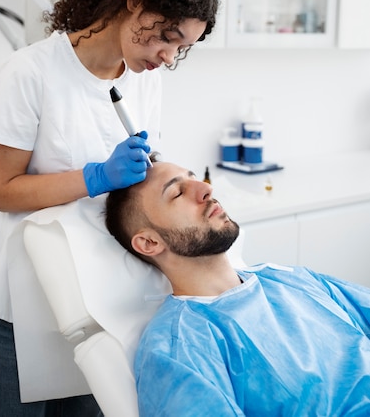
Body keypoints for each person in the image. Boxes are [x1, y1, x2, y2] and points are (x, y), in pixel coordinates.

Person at [0, 0, 219, 417]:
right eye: (167, 37)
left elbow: (143, 173)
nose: (168, 55)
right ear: (134, 2)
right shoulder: (31, 72)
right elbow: (3, 190)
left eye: (182, 48)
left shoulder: (144, 78)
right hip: (15, 295)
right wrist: (96, 177)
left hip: (94, 292)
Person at [105, 161, 370, 416]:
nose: (206, 189)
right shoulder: (180, 345)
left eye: (194, 177)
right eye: (177, 193)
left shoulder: (287, 278)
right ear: (150, 243)